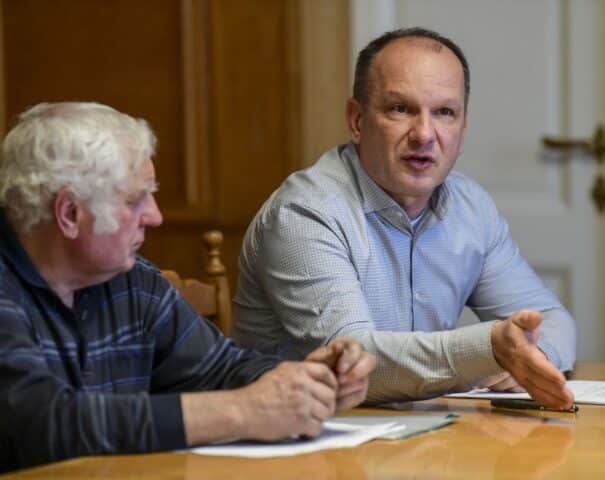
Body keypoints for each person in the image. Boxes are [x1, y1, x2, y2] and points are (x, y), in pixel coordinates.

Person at [0, 102, 375, 472]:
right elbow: (39, 424)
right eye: (136, 199)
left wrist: (313, 382)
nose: (155, 216)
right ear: (69, 213)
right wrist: (241, 411)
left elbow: (221, 370)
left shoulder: (131, 280)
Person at [233, 27, 576, 409]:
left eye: (444, 112)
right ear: (357, 120)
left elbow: (552, 320)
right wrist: (491, 350)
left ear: (463, 129)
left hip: (422, 433)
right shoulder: (303, 214)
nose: (424, 134)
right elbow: (353, 366)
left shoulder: (471, 207)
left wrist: (531, 358)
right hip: (309, 436)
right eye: (401, 109)